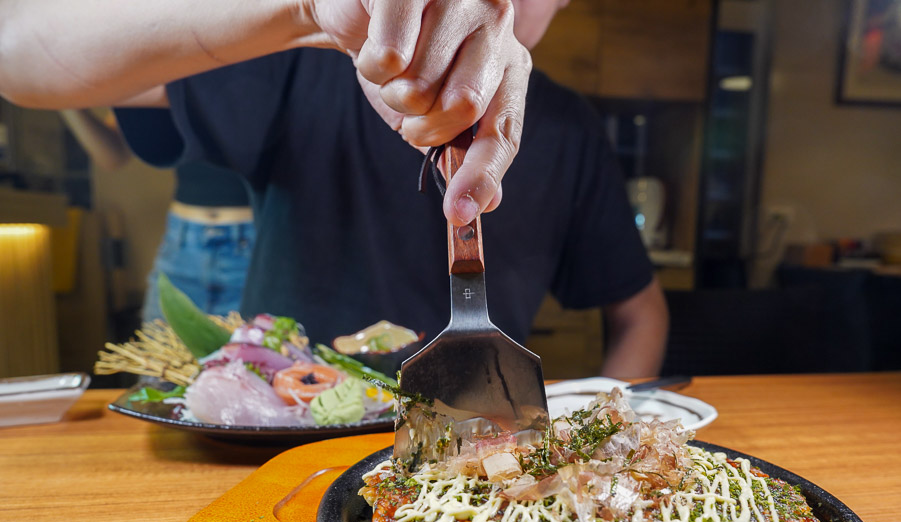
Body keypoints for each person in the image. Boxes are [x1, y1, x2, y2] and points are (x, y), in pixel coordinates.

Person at [0, 0, 668, 378]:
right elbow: (19, 49)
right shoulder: (298, 66)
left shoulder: (569, 127)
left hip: (469, 450)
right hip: (281, 435)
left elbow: (639, 312)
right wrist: (307, 10)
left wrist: (608, 430)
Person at [59, 108, 255, 321]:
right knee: (155, 353)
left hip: (261, 244)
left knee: (270, 352)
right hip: (181, 243)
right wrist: (60, 97)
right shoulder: (161, 76)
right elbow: (112, 156)